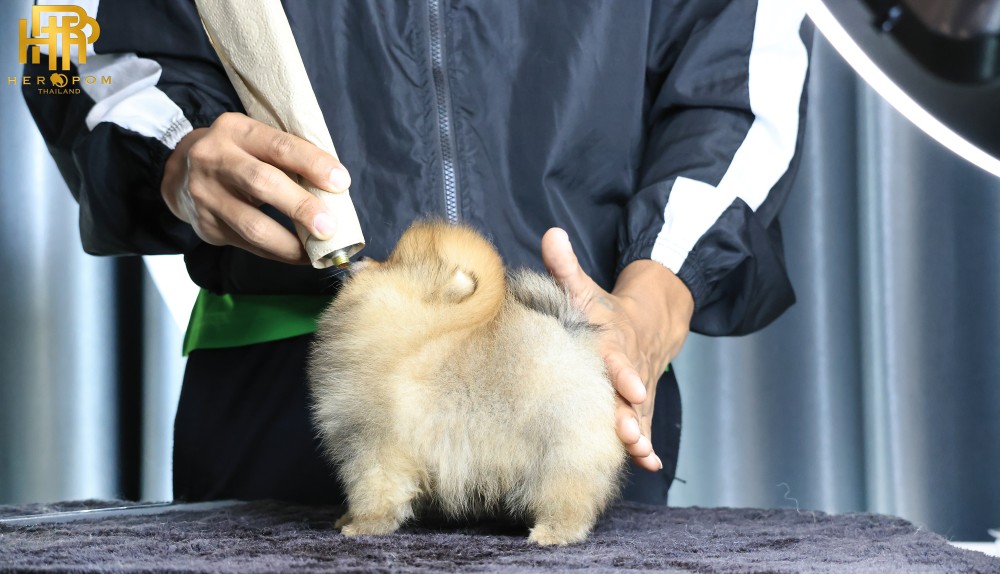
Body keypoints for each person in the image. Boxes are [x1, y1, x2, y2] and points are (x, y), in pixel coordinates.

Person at [24, 0, 811, 506]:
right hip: (297, 386)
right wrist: (173, 146)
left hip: (572, 383)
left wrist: (650, 300)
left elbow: (742, 64)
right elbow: (57, 44)